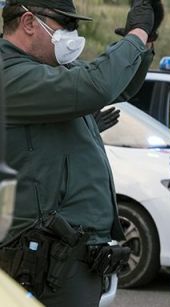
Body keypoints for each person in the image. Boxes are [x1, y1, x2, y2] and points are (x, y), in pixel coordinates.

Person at [0, 0, 159, 305]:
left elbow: (119, 88)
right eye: (66, 25)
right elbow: (96, 86)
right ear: (29, 22)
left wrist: (144, 43)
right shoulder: (9, 73)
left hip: (74, 252)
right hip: (41, 256)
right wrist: (135, 35)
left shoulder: (52, 71)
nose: (72, 35)